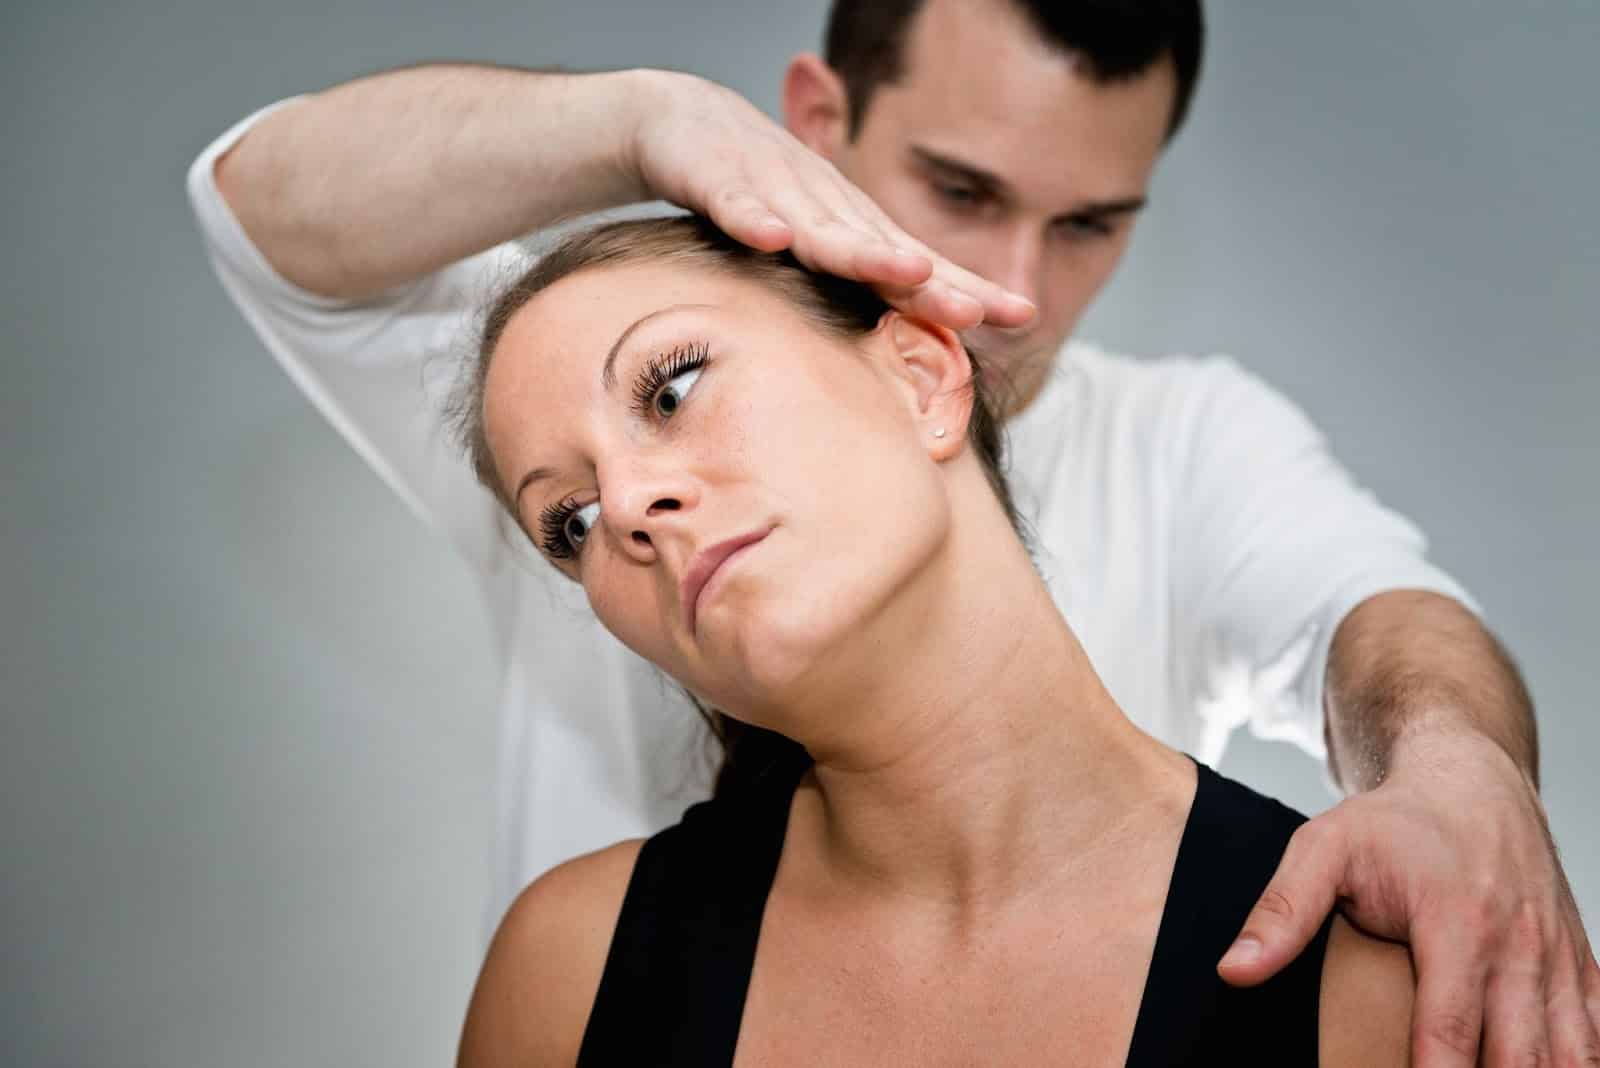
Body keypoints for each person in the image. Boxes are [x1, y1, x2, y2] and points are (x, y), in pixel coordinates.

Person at [185, 1, 1599, 1063]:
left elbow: (1378, 610)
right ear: (810, 125)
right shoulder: (571, 364)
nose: (1016, 293)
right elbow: (264, 218)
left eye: (1091, 223)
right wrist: (639, 120)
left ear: (922, 378)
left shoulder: (1188, 446)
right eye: (565, 522)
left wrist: (1458, 766)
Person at [453, 213, 1417, 1066]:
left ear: (921, 374)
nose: (624, 506)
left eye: (672, 390)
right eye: (569, 524)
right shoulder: (567, 979)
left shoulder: (1387, 988)